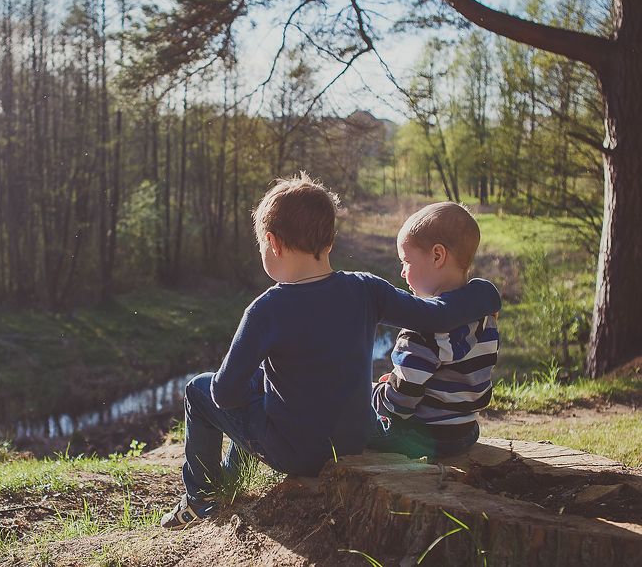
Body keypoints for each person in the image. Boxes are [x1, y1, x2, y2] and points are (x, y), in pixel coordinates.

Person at [160, 174, 501, 530]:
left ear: (273, 243)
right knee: (265, 386)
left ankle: (201, 498)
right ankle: (231, 481)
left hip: (296, 453)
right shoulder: (366, 289)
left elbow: (225, 394)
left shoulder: (265, 310)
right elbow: (437, 315)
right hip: (354, 438)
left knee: (199, 389)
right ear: (331, 240)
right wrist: (486, 292)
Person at [370, 202, 499, 459]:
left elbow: (400, 405)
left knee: (356, 418)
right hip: (465, 431)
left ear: (437, 256)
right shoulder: (486, 316)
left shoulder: (422, 329)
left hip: (422, 436)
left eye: (406, 261)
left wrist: (379, 394)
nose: (402, 272)